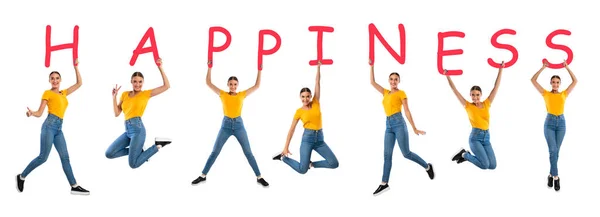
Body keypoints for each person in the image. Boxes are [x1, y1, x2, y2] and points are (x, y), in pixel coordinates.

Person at [17, 59, 90, 195]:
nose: (55, 81)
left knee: (65, 157)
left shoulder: (63, 93)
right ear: (49, 81)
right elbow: (39, 113)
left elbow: (79, 83)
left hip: (58, 129)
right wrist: (31, 113)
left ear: (60, 80)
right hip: (49, 126)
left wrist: (75, 67)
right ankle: (21, 176)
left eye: (57, 78)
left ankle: (74, 185)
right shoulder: (47, 93)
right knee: (43, 157)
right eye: (52, 79)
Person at [191, 60, 269, 187]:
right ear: (227, 84)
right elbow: (208, 83)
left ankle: (259, 177)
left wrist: (259, 70)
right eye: (231, 84)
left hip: (239, 125)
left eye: (235, 84)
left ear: (237, 85)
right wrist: (209, 67)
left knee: (248, 152)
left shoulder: (242, 94)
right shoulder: (222, 94)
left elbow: (257, 86)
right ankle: (202, 175)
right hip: (226, 126)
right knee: (215, 152)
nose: (233, 86)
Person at [369, 60, 434, 196]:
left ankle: (427, 166)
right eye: (391, 79)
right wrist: (372, 66)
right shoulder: (385, 92)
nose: (393, 81)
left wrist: (414, 128)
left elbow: (407, 111)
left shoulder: (401, 93)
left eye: (396, 80)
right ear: (389, 80)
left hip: (399, 123)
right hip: (388, 125)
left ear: (399, 81)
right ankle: (384, 183)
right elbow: (372, 82)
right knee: (387, 155)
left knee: (406, 153)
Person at [272, 61, 339, 174]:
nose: (305, 99)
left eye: (308, 96)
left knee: (334, 163)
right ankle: (283, 158)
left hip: (320, 139)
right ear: (300, 97)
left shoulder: (316, 102)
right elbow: (291, 130)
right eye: (303, 97)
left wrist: (318, 67)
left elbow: (317, 82)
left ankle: (310, 164)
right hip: (307, 140)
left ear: (311, 96)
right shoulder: (299, 112)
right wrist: (285, 147)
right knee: (302, 170)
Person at [105, 58, 172, 168]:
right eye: (135, 81)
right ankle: (139, 150)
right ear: (131, 82)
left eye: (140, 81)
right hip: (127, 130)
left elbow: (166, 86)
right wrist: (114, 97)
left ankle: (158, 145)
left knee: (133, 164)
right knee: (109, 153)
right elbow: (117, 113)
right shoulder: (124, 94)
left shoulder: (146, 94)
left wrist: (160, 67)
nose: (137, 84)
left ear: (143, 82)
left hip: (138, 129)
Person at [448, 61, 505, 170]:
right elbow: (455, 90)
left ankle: (466, 155)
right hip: (475, 138)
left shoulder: (487, 103)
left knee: (492, 166)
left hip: (486, 137)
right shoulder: (468, 106)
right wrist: (448, 76)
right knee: (485, 165)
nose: (475, 97)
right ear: (470, 95)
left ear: (481, 95)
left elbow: (496, 87)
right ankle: (464, 155)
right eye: (473, 95)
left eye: (477, 95)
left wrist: (501, 69)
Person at [530, 60, 576, 192]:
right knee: (553, 151)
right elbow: (533, 80)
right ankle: (556, 177)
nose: (555, 84)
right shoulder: (546, 93)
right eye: (553, 82)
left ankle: (550, 174)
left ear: (559, 84)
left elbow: (575, 81)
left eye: (557, 82)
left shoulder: (564, 94)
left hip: (561, 123)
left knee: (556, 152)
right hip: (549, 123)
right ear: (550, 83)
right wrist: (542, 68)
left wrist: (567, 67)